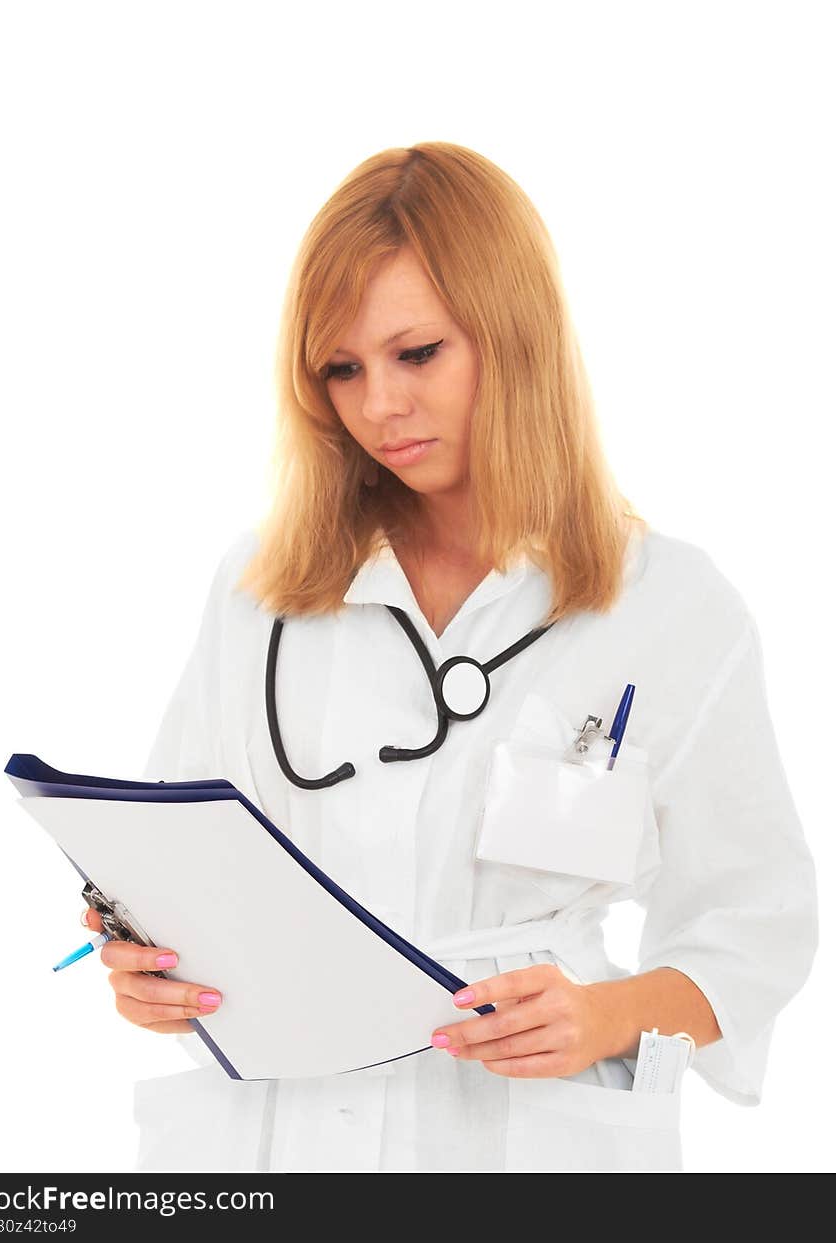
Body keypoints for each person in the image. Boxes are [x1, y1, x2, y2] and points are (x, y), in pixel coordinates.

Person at [84, 141, 818, 1173]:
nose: (377, 404)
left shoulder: (669, 605)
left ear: (511, 336)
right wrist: (148, 967)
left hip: (526, 1137)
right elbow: (177, 867)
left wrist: (603, 1017)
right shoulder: (259, 587)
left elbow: (756, 924)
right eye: (341, 368)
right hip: (278, 1133)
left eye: (415, 352)